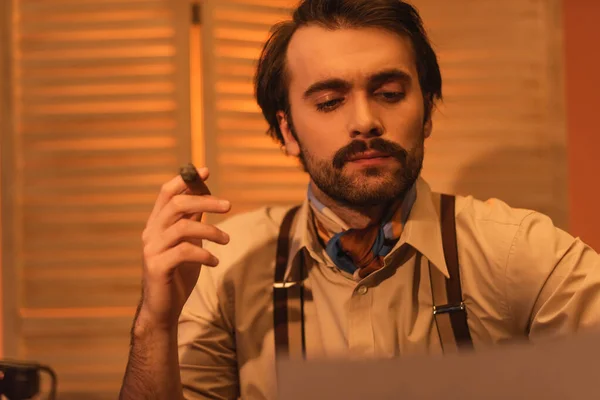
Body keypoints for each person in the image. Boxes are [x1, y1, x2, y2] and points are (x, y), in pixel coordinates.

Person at [119, 0, 600, 399]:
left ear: (427, 112)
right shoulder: (225, 264)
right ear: (287, 130)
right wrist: (154, 326)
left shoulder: (519, 252)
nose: (365, 120)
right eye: (329, 101)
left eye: (389, 92)